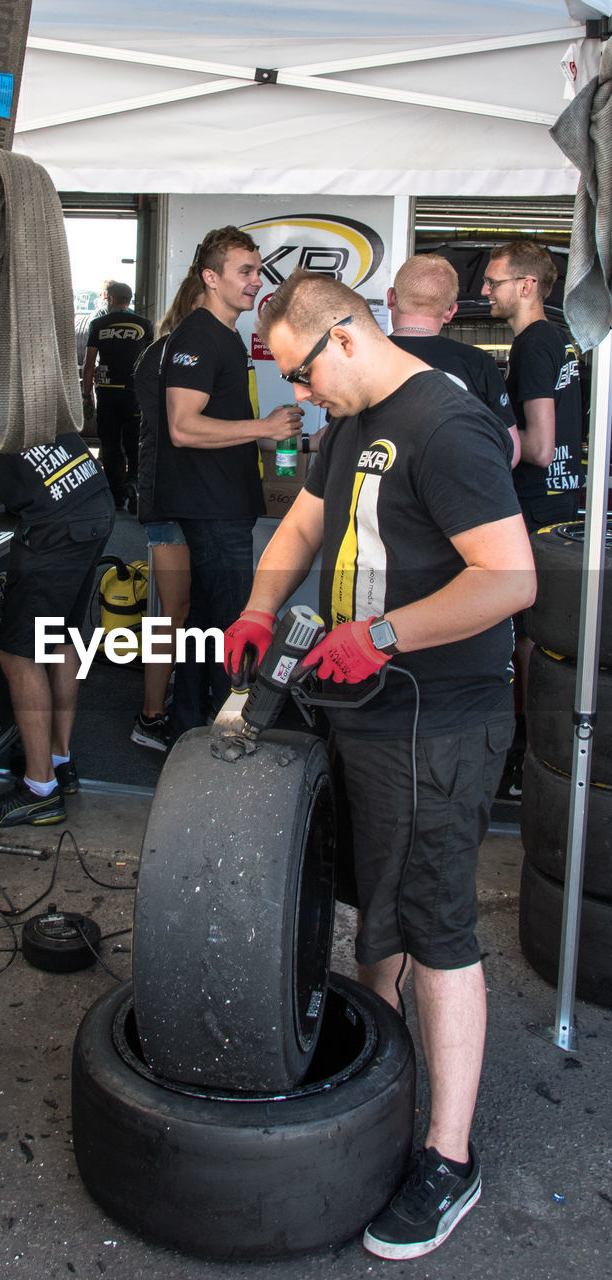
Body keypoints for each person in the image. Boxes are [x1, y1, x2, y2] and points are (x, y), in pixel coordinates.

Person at [223, 269, 535, 1260]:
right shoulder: (349, 420)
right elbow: (306, 526)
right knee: (375, 896)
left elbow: (512, 577)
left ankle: (449, 1154)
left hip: (439, 716)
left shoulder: (446, 427)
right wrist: (263, 603)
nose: (300, 396)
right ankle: (378, 1045)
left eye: (303, 375)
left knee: (438, 919)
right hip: (364, 705)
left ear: (345, 338)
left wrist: (388, 633)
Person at [153, 225, 302, 739]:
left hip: (226, 504)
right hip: (211, 509)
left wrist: (290, 439)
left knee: (206, 627)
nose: (256, 281)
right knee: (229, 629)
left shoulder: (227, 336)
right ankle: (222, 740)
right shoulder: (197, 334)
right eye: (245, 271)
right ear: (210, 277)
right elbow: (183, 426)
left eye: (258, 270)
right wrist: (266, 427)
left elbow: (224, 427)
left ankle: (188, 730)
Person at [0, 427, 114, 828]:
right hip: (92, 501)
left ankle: (39, 790)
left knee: (17, 653)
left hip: (58, 525)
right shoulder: (13, 392)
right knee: (61, 635)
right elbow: (4, 484)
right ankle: (58, 759)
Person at [482, 240, 585, 795]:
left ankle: (525, 750)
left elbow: (540, 446)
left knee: (525, 632)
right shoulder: (562, 340)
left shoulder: (533, 345)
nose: (484, 291)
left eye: (494, 281)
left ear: (527, 286)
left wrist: (485, 430)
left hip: (536, 507)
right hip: (559, 504)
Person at [128, 274, 203, 750]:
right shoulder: (166, 357)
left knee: (180, 608)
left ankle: (167, 699)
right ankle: (151, 716)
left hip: (178, 495)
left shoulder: (162, 353)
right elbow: (184, 431)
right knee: (172, 610)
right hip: (168, 497)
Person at [388, 254, 520, 465]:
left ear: (391, 297)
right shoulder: (478, 363)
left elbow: (339, 441)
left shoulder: (360, 359)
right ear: (451, 311)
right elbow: (509, 451)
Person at [81, 282, 153, 510]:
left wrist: (86, 394)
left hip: (107, 394)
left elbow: (89, 362)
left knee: (110, 445)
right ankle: (134, 483)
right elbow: (151, 362)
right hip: (134, 394)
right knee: (135, 444)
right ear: (129, 299)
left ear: (110, 299)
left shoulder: (98, 324)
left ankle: (116, 496)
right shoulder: (144, 325)